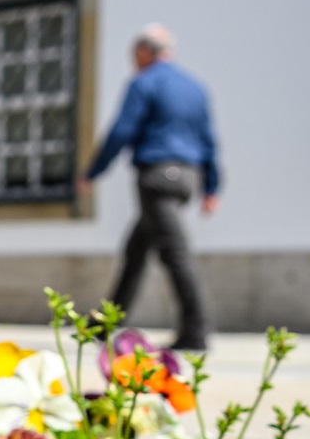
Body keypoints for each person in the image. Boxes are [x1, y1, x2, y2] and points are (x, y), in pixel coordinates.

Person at [83, 24, 220, 352]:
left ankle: (196, 330)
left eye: (135, 54)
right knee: (136, 252)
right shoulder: (195, 88)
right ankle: (104, 325)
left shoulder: (144, 83)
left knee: (175, 253)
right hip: (186, 177)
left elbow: (121, 130)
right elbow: (208, 141)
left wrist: (93, 171)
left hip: (158, 178)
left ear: (145, 52)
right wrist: (212, 187)